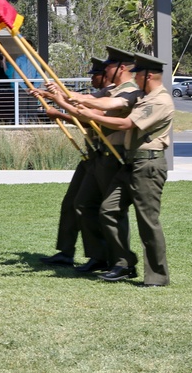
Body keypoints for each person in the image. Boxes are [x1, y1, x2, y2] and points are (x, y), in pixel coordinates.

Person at [71, 52, 174, 287]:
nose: (134, 77)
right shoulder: (141, 95)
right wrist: (74, 99)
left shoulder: (159, 100)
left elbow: (126, 123)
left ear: (149, 76)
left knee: (148, 221)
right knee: (108, 210)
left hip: (148, 164)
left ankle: (157, 276)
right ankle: (124, 262)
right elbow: (108, 102)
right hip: (130, 164)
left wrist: (88, 115)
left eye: (138, 74)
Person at [35, 57, 108, 268]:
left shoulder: (111, 94)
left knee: (89, 206)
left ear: (106, 75)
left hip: (103, 157)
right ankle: (66, 252)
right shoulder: (99, 94)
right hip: (90, 156)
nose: (92, 78)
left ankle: (100, 256)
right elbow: (78, 100)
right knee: (70, 204)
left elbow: (88, 117)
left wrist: (58, 111)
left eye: (95, 74)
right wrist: (51, 94)